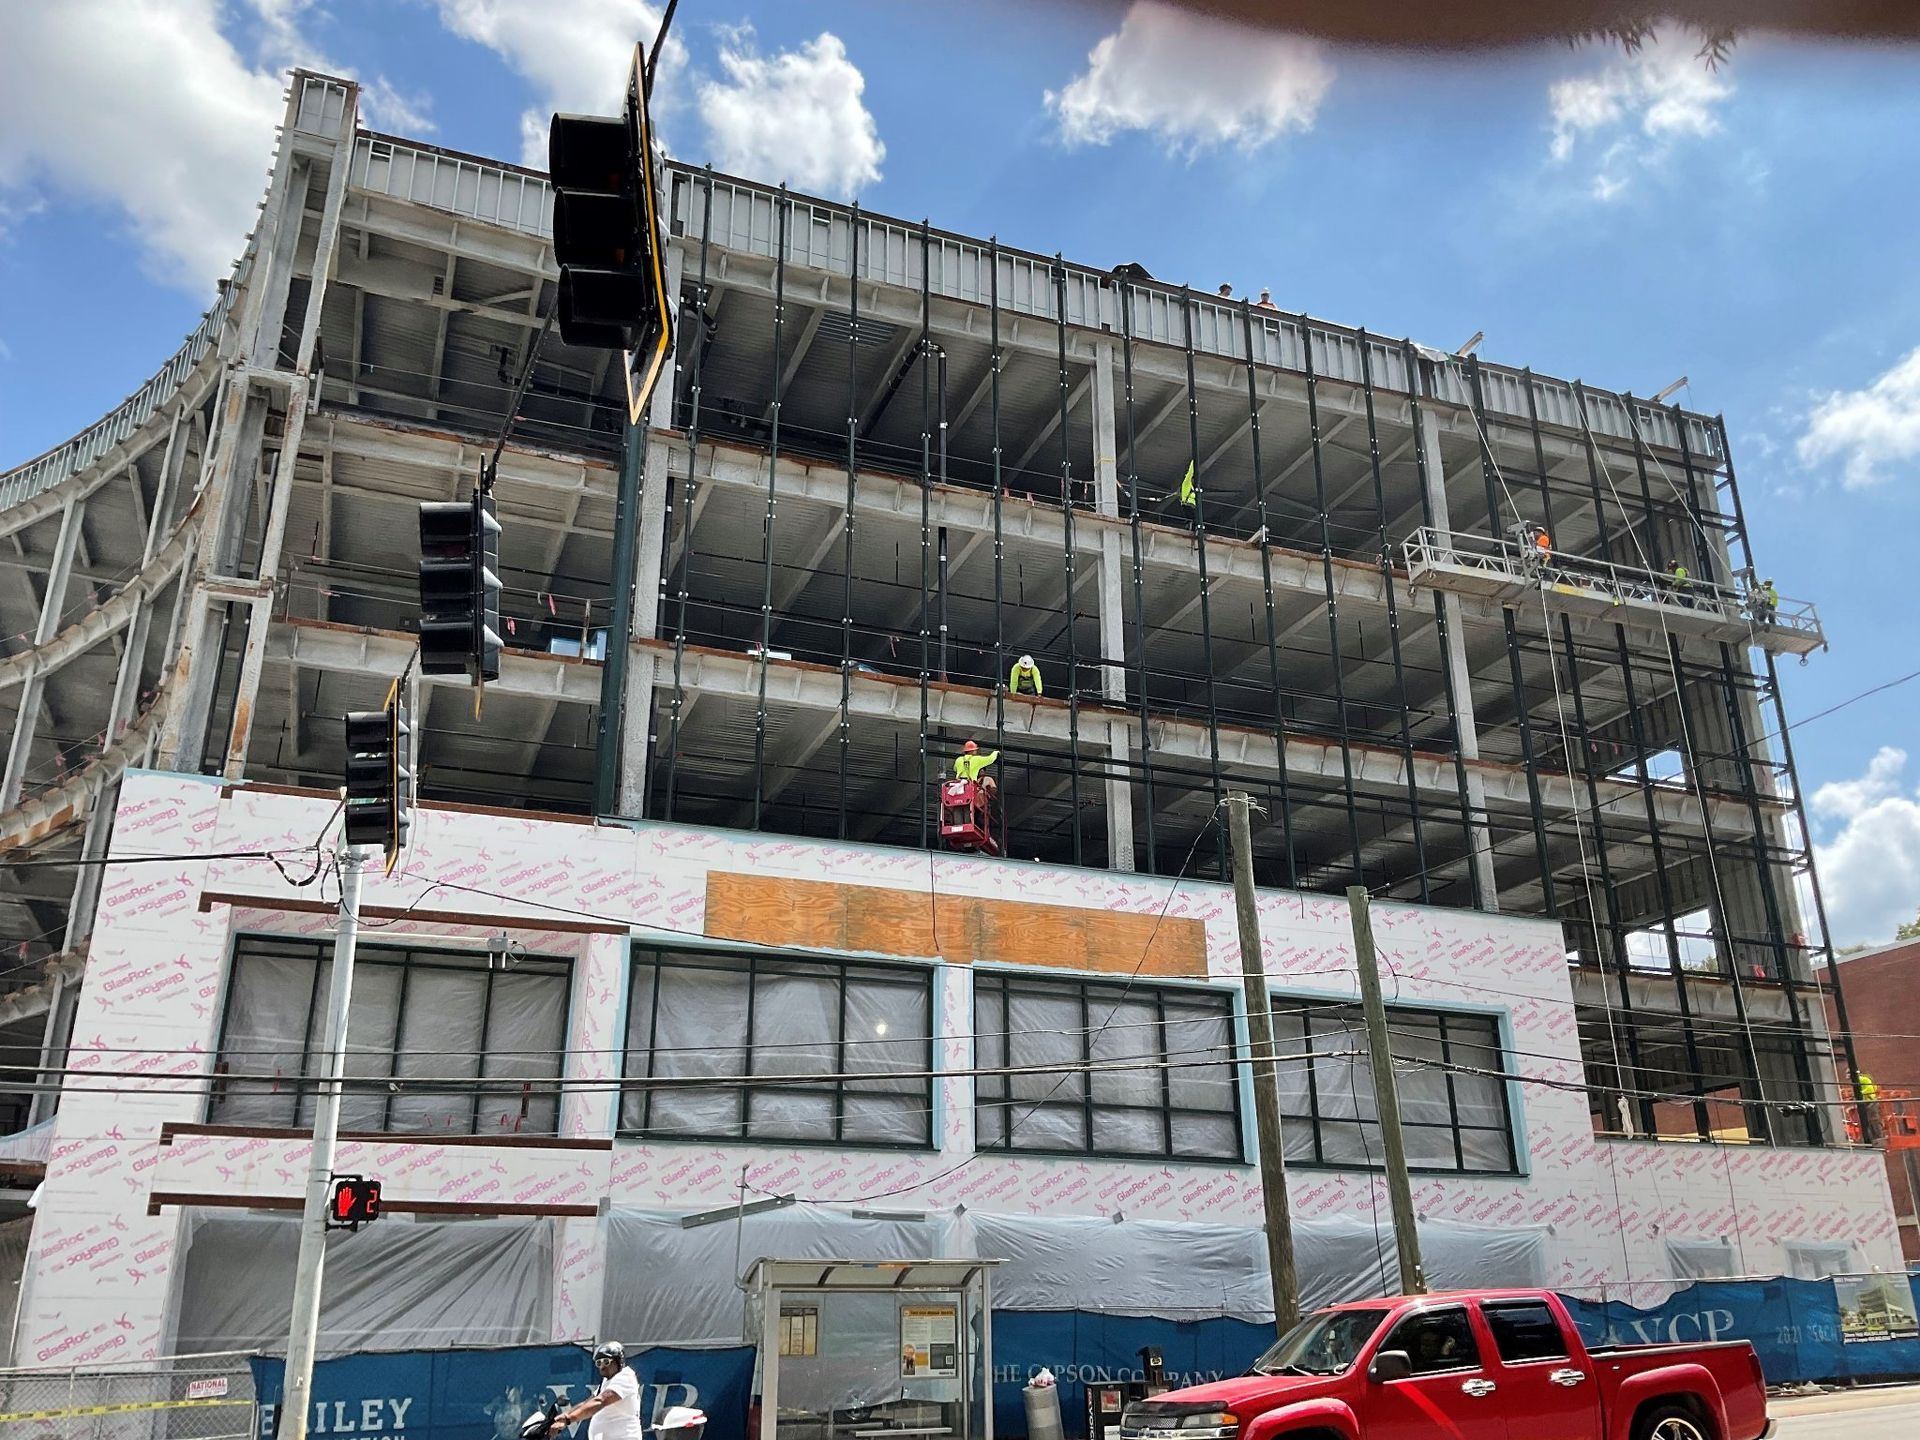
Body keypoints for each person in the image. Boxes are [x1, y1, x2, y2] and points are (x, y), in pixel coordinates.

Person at [547, 1342, 641, 1439]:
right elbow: (589, 1402)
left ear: (618, 1361)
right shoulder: (607, 1381)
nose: (602, 1366)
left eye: (606, 1361)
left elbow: (600, 1401)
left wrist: (568, 1419)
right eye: (598, 1363)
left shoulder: (625, 1377)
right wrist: (566, 1414)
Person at [954, 739, 999, 808]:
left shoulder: (958, 760)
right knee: (970, 805)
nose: (976, 751)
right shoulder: (976, 759)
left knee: (960, 803)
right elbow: (990, 759)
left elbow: (955, 769)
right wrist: (996, 752)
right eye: (975, 750)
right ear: (972, 751)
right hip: (970, 786)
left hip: (958, 785)